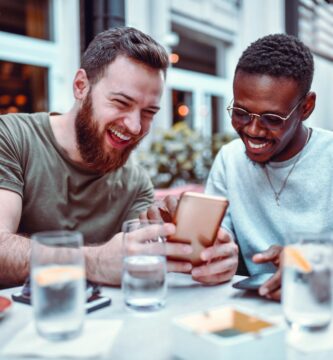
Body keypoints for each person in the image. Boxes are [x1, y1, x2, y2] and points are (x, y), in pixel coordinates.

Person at [0, 26, 238, 288]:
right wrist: (93, 261)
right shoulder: (11, 138)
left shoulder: (135, 184)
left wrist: (206, 257)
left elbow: (145, 261)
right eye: (121, 103)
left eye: (149, 112)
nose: (135, 127)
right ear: (81, 86)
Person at [205, 33, 333, 300]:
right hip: (252, 308)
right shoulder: (229, 160)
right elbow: (217, 237)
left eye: (272, 119)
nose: (252, 131)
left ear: (306, 107)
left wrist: (313, 266)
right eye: (240, 113)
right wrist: (204, 243)